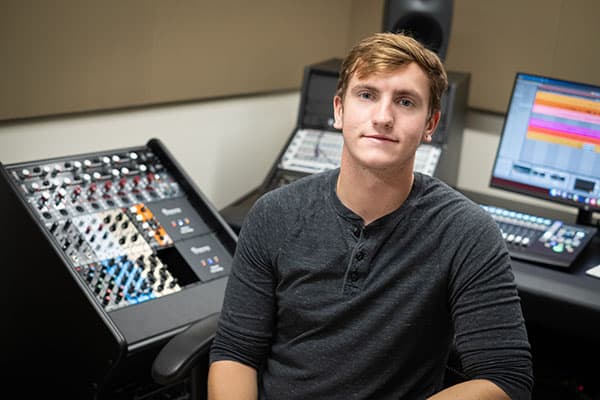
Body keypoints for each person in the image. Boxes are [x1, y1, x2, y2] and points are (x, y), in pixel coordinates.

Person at [208, 32, 533, 399]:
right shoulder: (273, 214)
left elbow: (505, 378)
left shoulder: (466, 232)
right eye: (366, 95)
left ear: (430, 124)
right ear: (339, 110)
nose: (383, 117)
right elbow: (235, 353)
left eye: (406, 102)